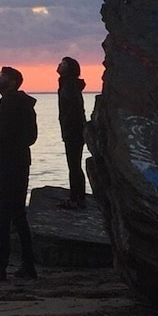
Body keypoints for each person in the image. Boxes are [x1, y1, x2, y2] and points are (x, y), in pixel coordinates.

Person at [0, 66, 38, 281]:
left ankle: (1, 268)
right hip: (20, 163)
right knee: (18, 216)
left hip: (7, 164)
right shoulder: (24, 105)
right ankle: (27, 265)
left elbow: (5, 135)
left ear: (12, 82)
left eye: (2, 76)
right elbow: (31, 136)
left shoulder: (10, 104)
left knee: (4, 216)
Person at [56, 57, 88, 209]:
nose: (59, 65)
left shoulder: (69, 85)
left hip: (73, 130)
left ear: (69, 68)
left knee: (74, 165)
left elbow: (75, 108)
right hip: (72, 129)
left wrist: (70, 127)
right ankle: (77, 196)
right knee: (74, 164)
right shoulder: (67, 84)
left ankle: (77, 198)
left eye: (63, 64)